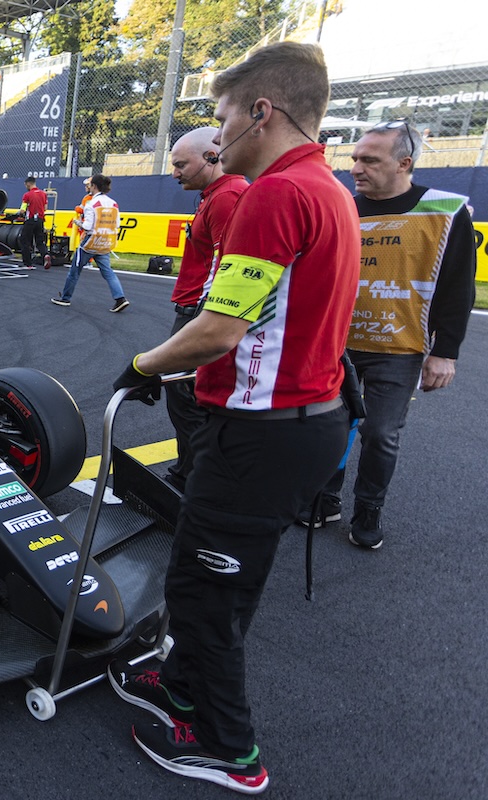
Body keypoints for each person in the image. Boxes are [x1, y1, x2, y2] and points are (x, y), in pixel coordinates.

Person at [108, 42, 359, 795]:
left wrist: (144, 365)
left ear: (262, 111)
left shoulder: (278, 194)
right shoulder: (327, 187)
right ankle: (180, 687)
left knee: (207, 589)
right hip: (295, 422)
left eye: (222, 121)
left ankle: (227, 747)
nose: (217, 142)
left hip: (266, 429)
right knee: (205, 567)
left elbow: (222, 327)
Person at [301, 120, 476, 548]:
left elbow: (458, 287)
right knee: (328, 428)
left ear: (404, 163)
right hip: (335, 345)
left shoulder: (445, 209)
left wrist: (445, 352)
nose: (356, 167)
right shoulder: (340, 204)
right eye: (355, 158)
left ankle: (369, 508)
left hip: (399, 347)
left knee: (380, 433)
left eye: (369, 160)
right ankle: (325, 500)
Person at [162, 127, 248, 491]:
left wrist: (201, 324)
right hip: (194, 310)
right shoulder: (214, 194)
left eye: (182, 164)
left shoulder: (228, 196)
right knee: (185, 398)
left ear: (211, 157)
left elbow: (226, 268)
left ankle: (198, 479)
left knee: (188, 399)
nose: (175, 172)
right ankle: (190, 471)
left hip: (199, 312)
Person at [52, 175, 126, 310]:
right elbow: (117, 224)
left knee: (74, 271)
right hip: (105, 242)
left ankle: (65, 298)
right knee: (108, 272)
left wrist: (78, 223)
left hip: (90, 242)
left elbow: (87, 226)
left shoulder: (91, 203)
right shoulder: (113, 203)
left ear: (94, 186)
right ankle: (120, 298)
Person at [18, 176, 51, 270]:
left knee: (25, 240)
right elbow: (45, 208)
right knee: (40, 241)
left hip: (30, 220)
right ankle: (45, 254)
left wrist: (20, 213)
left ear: (28, 184)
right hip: (40, 220)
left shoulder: (27, 195)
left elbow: (23, 210)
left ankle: (28, 263)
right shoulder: (43, 194)